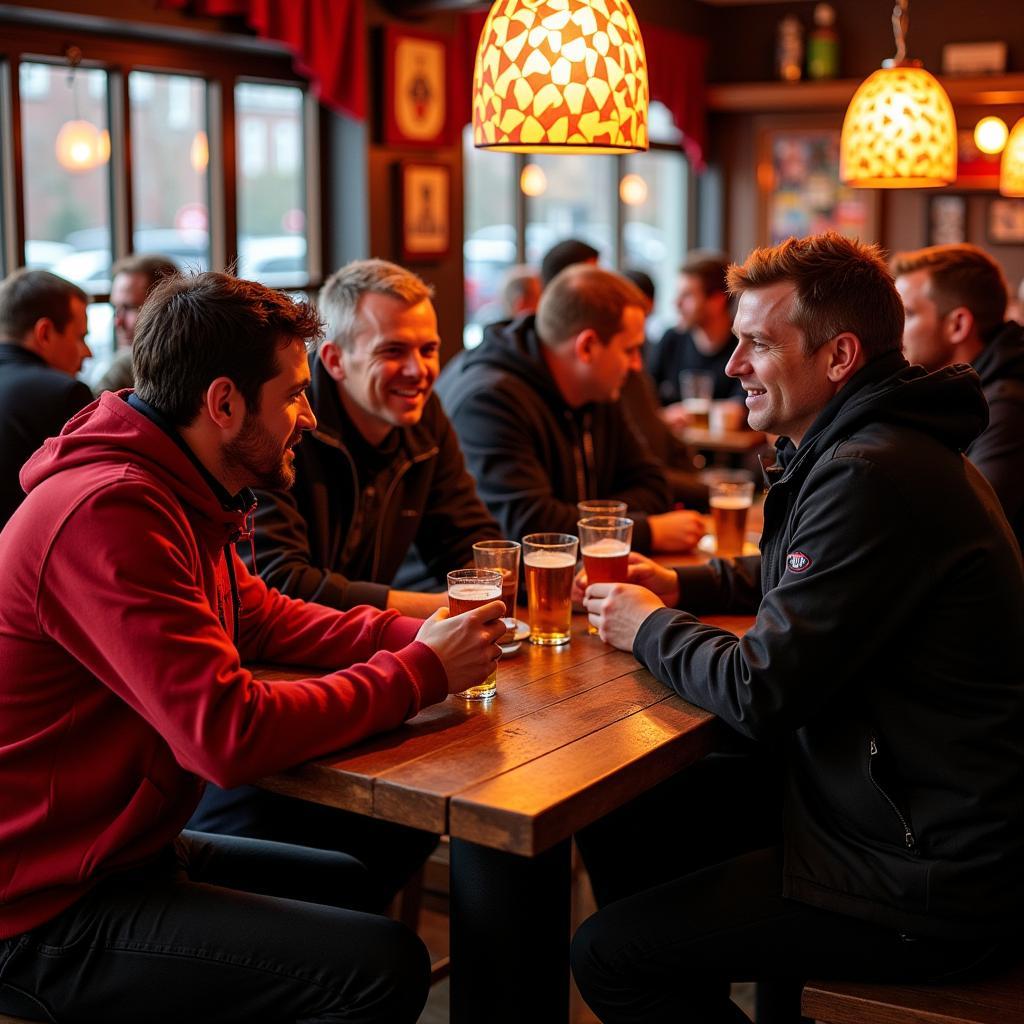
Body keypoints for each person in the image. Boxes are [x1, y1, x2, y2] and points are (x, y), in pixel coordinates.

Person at [0, 270, 506, 1023]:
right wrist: (421, 670)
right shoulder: (110, 512)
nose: (307, 416)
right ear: (225, 403)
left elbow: (264, 618)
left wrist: (430, 637)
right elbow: (226, 735)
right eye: (294, 395)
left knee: (349, 881)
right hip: (42, 906)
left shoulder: (175, 487)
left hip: (126, 850)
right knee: (380, 969)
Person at [573, 233, 1024, 1024]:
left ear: (839, 356)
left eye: (756, 344)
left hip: (927, 872)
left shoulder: (870, 470)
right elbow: (805, 577)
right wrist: (683, 580)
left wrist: (650, 625)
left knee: (609, 954)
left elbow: (761, 689)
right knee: (628, 815)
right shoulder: (873, 445)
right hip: (886, 806)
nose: (732, 365)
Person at [191, 259, 501, 878]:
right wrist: (429, 637)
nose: (419, 371)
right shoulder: (266, 436)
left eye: (430, 348)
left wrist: (461, 619)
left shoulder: (420, 415)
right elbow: (286, 581)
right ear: (334, 361)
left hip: (310, 697)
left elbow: (467, 541)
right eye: (394, 351)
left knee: (427, 811)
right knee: (388, 889)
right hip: (255, 742)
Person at [435, 264, 705, 553]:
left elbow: (653, 485)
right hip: (463, 592)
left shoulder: (597, 390)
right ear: (587, 347)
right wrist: (645, 531)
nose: (637, 365)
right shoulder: (488, 400)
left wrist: (577, 519)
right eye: (629, 350)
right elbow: (529, 529)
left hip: (575, 580)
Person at [892, 243, 1024, 549]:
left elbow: (963, 528)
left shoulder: (1006, 407)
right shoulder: (954, 397)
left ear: (958, 324)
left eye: (908, 314)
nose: (895, 330)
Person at [0, 268, 93, 528]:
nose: (88, 353)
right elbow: (91, 502)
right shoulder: (63, 394)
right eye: (80, 337)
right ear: (45, 333)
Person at [648, 254, 745, 425]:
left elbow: (739, 409)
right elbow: (643, 397)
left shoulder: (743, 344)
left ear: (716, 301)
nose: (676, 304)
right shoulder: (671, 339)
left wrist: (684, 412)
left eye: (687, 296)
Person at [94, 253, 179, 393]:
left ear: (167, 309)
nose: (117, 322)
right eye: (115, 308)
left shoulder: (124, 368)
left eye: (129, 308)